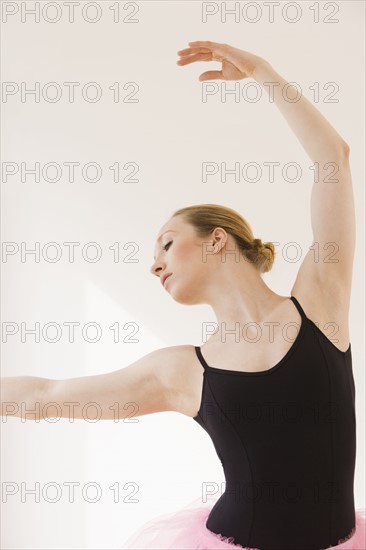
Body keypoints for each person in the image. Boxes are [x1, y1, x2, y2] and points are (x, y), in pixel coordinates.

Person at [1, 41, 365, 550]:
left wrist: (263, 72)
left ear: (217, 239)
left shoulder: (321, 301)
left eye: (167, 243)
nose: (154, 263)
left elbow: (334, 159)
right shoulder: (182, 371)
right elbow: (46, 396)